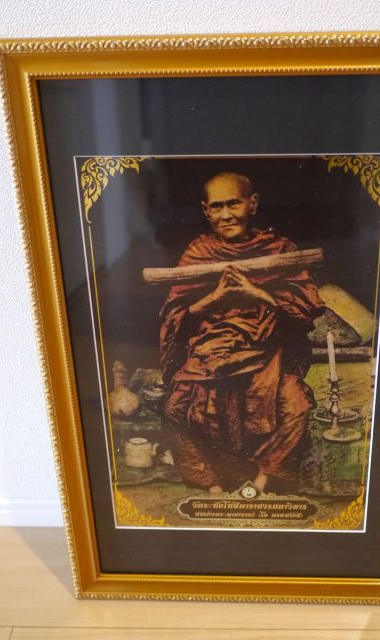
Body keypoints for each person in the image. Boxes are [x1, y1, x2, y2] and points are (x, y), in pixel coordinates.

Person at [159, 172, 325, 495]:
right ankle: (212, 485)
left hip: (267, 354)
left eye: (233, 204)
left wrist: (256, 294)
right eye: (216, 207)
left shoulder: (278, 250)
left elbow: (303, 314)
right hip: (209, 356)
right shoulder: (198, 252)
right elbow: (176, 318)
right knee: (173, 409)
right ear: (206, 211)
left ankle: (262, 480)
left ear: (253, 204)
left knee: (298, 406)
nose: (226, 215)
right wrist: (215, 298)